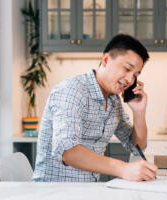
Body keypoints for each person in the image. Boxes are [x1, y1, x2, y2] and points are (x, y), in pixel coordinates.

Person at [32, 34, 158, 182]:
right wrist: (123, 168)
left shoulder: (114, 101)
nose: (130, 80)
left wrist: (139, 112)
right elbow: (68, 152)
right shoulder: (72, 91)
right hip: (56, 192)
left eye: (135, 75)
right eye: (126, 69)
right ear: (105, 60)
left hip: (89, 190)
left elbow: (137, 146)